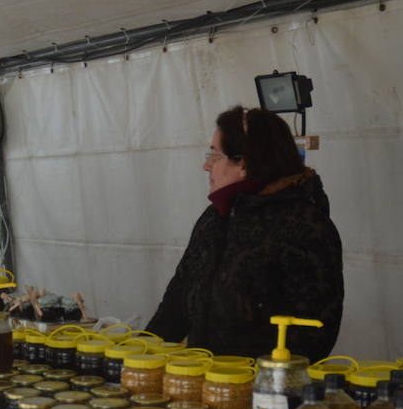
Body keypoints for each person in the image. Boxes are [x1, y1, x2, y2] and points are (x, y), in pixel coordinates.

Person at [146, 105, 344, 360]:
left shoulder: (303, 225)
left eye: (215, 156)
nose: (206, 165)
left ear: (244, 163)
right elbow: (177, 302)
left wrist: (269, 383)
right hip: (204, 382)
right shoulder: (215, 217)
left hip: (264, 388)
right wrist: (141, 355)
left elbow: (315, 329)